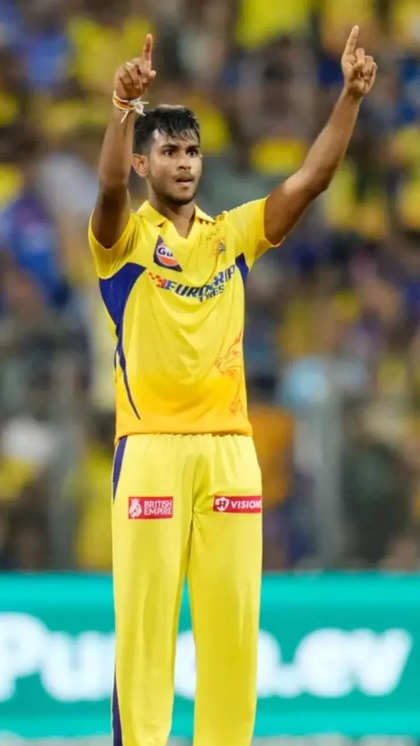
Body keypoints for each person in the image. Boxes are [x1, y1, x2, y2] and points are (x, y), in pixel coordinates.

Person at [89, 28, 376, 746]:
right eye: (169, 152)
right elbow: (107, 189)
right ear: (144, 162)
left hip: (229, 452)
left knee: (233, 628)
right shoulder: (123, 243)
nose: (184, 163)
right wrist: (123, 110)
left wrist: (348, 97)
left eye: (192, 151)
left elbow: (310, 181)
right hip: (151, 450)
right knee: (145, 630)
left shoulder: (232, 236)